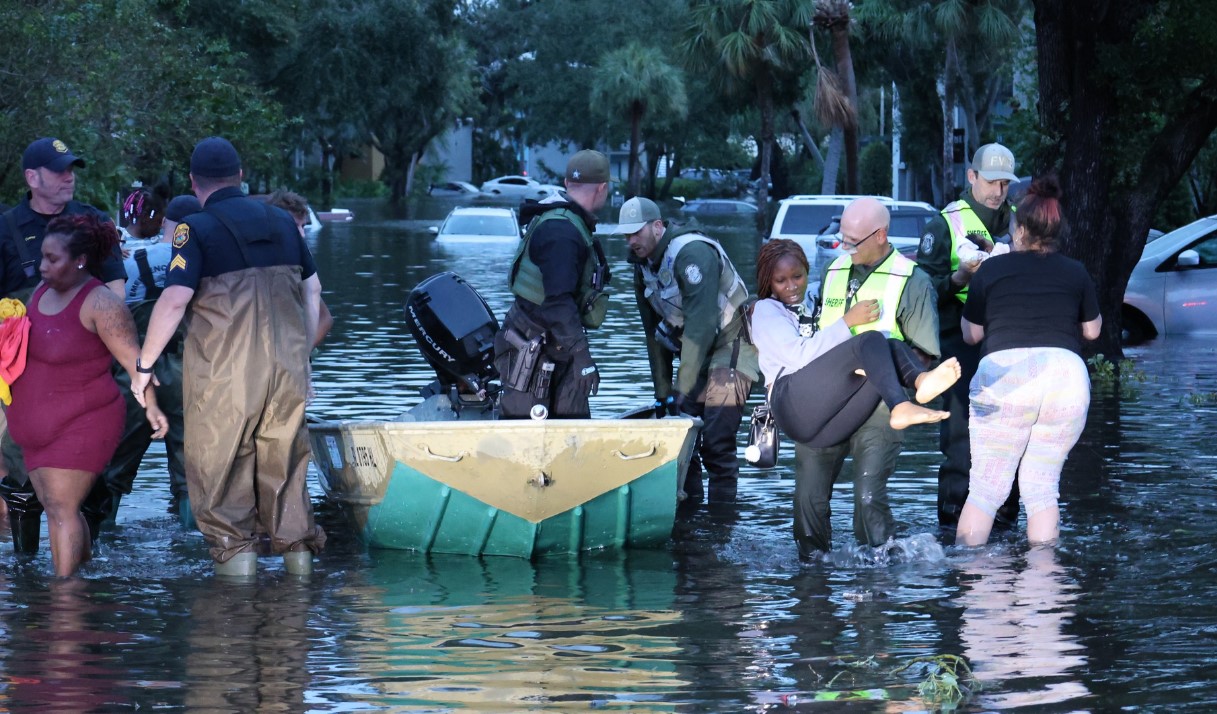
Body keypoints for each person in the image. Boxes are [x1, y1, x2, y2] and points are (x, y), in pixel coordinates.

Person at [132, 136, 325, 577]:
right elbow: (313, 290)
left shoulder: (193, 229)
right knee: (287, 475)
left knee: (220, 482)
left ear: (193, 182)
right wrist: (303, 360)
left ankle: (235, 604)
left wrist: (144, 366)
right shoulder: (283, 221)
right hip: (287, 370)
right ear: (240, 176)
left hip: (225, 376)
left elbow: (175, 300)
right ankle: (300, 587)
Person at [749, 238, 959, 559]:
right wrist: (849, 322)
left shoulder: (817, 296)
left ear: (808, 271)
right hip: (791, 399)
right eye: (781, 280)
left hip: (826, 409)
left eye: (798, 276)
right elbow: (799, 355)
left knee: (883, 344)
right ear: (768, 282)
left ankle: (824, 564)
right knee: (869, 340)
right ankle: (905, 398)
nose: (791, 286)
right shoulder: (766, 310)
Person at [6, 213, 166, 576]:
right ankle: (85, 579)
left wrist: (152, 408)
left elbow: (135, 362)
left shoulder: (101, 303)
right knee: (55, 507)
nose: (42, 266)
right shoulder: (41, 291)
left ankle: (64, 597)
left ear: (80, 260)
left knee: (61, 508)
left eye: (52, 259)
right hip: (36, 428)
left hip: (83, 422)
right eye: (43, 256)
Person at [799, 197, 954, 556]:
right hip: (827, 400)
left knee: (868, 497)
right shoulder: (834, 270)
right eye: (842, 238)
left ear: (881, 235)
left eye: (853, 241)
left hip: (881, 404)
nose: (845, 247)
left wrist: (876, 367)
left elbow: (923, 355)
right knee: (808, 498)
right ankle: (811, 570)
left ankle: (880, 569)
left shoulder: (913, 281)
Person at [0, 137, 129, 555]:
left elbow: (116, 287)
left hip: (83, 372)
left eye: (71, 168)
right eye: (59, 170)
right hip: (20, 377)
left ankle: (86, 569)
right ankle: (25, 568)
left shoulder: (93, 222)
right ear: (32, 178)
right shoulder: (5, 228)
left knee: (86, 483)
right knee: (19, 478)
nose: (69, 177)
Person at [955, 176, 1100, 547]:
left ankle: (971, 573)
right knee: (1041, 489)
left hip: (1007, 378)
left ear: (1019, 229)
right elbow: (1093, 330)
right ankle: (1044, 577)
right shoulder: (1076, 271)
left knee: (986, 490)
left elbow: (971, 335)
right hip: (1066, 379)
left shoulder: (990, 270)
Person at [617, 196, 758, 504]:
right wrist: (663, 393)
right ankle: (689, 517)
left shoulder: (692, 253)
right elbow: (653, 334)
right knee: (682, 441)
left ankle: (721, 522)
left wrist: (682, 387)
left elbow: (702, 326)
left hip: (730, 347)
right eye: (626, 235)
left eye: (636, 233)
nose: (631, 241)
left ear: (657, 226)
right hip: (694, 354)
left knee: (716, 443)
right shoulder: (642, 267)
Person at [917, 142, 1023, 537]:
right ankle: (952, 521)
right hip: (958, 342)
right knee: (960, 433)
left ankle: (1006, 520)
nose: (998, 191)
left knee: (1012, 430)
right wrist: (959, 277)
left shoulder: (1020, 221)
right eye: (991, 182)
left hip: (1008, 339)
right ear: (972, 176)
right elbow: (922, 294)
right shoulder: (945, 224)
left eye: (1005, 183)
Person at [100, 195, 201, 528]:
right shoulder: (200, 258)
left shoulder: (125, 260)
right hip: (187, 372)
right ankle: (191, 544)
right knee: (191, 472)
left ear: (165, 223)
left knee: (114, 467)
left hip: (132, 373)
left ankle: (100, 540)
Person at [493, 150, 611, 419]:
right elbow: (557, 302)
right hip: (533, 351)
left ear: (567, 183)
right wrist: (582, 356)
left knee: (573, 429)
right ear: (602, 188)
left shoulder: (561, 222)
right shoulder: (563, 232)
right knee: (526, 432)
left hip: (554, 343)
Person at [265, 189, 333, 345]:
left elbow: (325, 318)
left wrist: (304, 352)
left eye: (303, 226)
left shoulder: (297, 262)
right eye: (295, 226)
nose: (302, 234)